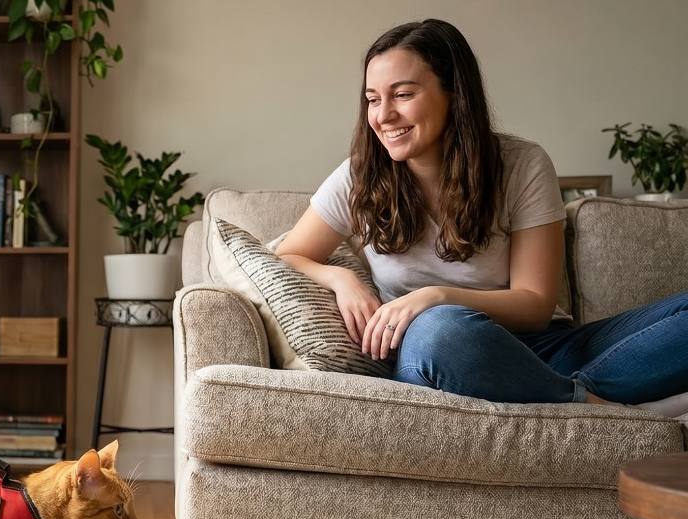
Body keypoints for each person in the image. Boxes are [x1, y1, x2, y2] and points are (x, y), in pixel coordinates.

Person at [275, 18, 688, 413]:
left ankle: (555, 393)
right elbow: (290, 253)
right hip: (443, 351)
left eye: (402, 95)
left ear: (453, 92)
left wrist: (436, 295)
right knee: (441, 329)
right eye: (372, 99)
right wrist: (341, 278)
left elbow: (534, 306)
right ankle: (605, 410)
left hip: (543, 348)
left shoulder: (520, 164)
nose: (383, 116)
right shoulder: (359, 176)